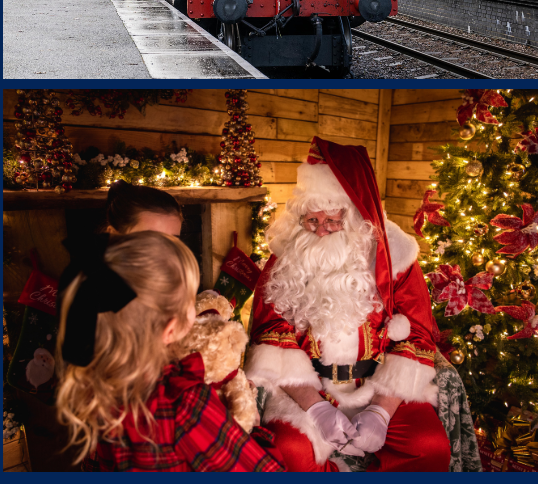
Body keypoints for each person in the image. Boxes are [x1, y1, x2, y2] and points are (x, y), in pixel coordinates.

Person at [244, 137, 449, 472]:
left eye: (333, 221)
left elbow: (419, 335)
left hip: (380, 385)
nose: (321, 232)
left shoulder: (395, 258)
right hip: (308, 391)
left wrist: (381, 411)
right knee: (289, 449)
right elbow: (271, 333)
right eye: (311, 221)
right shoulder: (285, 259)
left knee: (428, 445)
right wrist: (316, 409)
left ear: (354, 217)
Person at [55, 231, 284, 472]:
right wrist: (252, 430)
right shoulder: (182, 401)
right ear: (170, 328)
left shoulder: (95, 386)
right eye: (189, 299)